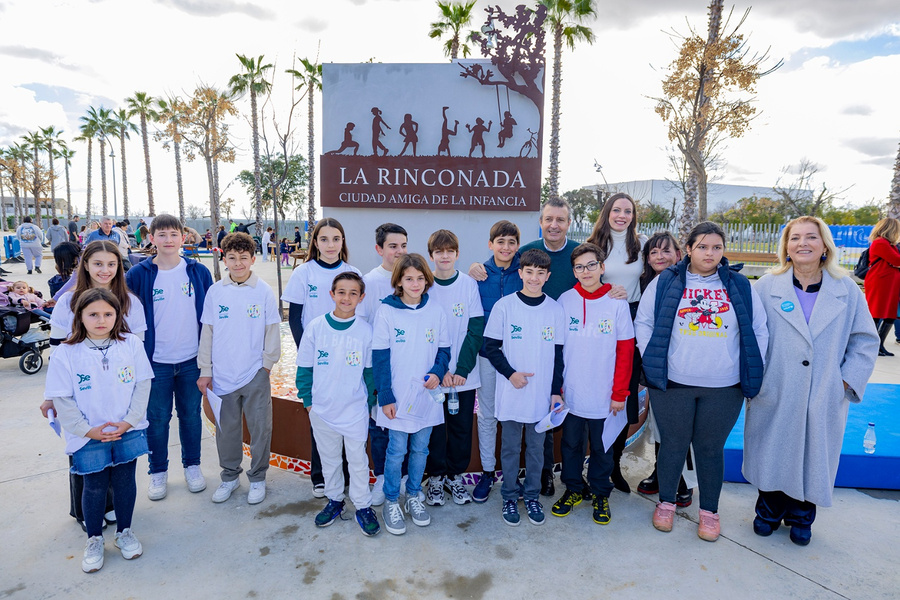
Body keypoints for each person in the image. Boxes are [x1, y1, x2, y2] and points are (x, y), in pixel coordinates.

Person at [743, 217, 879, 546]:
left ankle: (802, 516)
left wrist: (845, 383)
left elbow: (865, 340)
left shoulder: (846, 290)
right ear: (786, 247)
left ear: (824, 246)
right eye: (795, 238)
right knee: (772, 450)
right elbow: (748, 336)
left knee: (813, 453)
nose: (803, 243)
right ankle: (769, 510)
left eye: (811, 238)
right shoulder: (765, 286)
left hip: (824, 390)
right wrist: (754, 380)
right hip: (776, 388)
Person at [635, 221, 768, 542]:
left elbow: (759, 329)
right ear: (690, 249)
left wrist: (745, 368)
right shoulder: (666, 281)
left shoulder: (740, 284)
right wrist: (657, 359)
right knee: (673, 445)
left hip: (724, 388)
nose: (710, 253)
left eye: (717, 247)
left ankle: (709, 511)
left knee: (710, 449)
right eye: (703, 247)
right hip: (673, 384)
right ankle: (666, 502)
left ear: (723, 251)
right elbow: (645, 322)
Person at [44, 288, 153, 573]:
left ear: (117, 316)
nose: (101, 320)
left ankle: (125, 532)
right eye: (93, 314)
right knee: (93, 486)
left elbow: (143, 385)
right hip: (88, 435)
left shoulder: (130, 344)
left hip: (127, 428)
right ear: (80, 316)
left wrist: (129, 421)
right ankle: (94, 538)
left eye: (108, 314)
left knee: (125, 480)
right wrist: (87, 430)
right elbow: (62, 399)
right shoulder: (66, 353)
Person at [126, 214, 214, 502]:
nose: (168, 240)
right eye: (161, 234)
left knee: (190, 416)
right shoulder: (139, 275)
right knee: (158, 418)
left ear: (183, 237)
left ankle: (192, 466)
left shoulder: (198, 272)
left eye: (173, 234)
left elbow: (210, 318)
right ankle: (158, 472)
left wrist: (208, 361)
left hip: (191, 360)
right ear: (151, 238)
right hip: (156, 362)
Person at [198, 232, 281, 505]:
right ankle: (230, 477)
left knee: (260, 429)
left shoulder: (263, 291)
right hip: (223, 375)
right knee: (227, 430)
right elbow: (207, 333)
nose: (237, 263)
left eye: (243, 258)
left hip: (255, 373)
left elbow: (272, 332)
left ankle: (257, 478)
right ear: (224, 259)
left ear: (252, 259)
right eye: (231, 258)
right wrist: (205, 370)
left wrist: (266, 367)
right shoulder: (215, 291)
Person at [483, 248, 565, 526]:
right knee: (509, 448)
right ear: (520, 273)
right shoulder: (504, 306)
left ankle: (531, 495)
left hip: (541, 397)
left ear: (547, 276)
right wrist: (510, 374)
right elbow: (490, 348)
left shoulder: (555, 309)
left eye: (540, 273)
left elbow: (558, 356)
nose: (534, 277)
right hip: (511, 393)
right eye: (529, 272)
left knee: (535, 449)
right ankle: (508, 496)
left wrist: (555, 392)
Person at [553, 243, 634, 524]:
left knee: (602, 448)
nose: (585, 271)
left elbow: (625, 351)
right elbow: (558, 350)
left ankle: (601, 493)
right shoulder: (564, 301)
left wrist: (619, 393)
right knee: (571, 446)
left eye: (591, 265)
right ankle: (574, 489)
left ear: (602, 267)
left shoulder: (616, 302)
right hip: (572, 393)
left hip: (606, 395)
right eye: (579, 267)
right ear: (573, 272)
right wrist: (558, 389)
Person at [282, 218, 362, 498]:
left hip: (348, 358)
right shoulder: (304, 273)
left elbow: (359, 319)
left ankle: (347, 474)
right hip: (318, 359)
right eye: (324, 239)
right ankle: (321, 476)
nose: (331, 245)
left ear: (343, 242)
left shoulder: (352, 271)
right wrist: (310, 357)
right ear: (315, 242)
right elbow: (294, 319)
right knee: (320, 416)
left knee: (348, 414)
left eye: (336, 239)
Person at [297, 272, 380, 536]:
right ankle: (334, 499)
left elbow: (369, 373)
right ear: (332, 294)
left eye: (353, 293)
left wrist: (369, 404)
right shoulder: (316, 327)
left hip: (354, 410)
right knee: (330, 459)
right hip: (322, 410)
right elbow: (304, 368)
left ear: (361, 298)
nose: (346, 298)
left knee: (357, 460)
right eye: (341, 292)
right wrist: (308, 401)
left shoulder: (366, 331)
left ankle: (363, 505)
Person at [373, 253, 450, 535]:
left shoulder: (436, 311)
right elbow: (380, 358)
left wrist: (438, 373)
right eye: (409, 278)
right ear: (399, 281)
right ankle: (391, 500)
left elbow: (444, 351)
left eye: (420, 278)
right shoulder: (386, 311)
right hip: (398, 398)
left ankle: (413, 495)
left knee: (421, 449)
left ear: (427, 280)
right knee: (396, 451)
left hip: (426, 397)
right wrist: (386, 397)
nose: (415, 283)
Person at [586, 192, 648, 494]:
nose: (622, 215)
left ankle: (614, 464)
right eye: (617, 210)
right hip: (600, 321)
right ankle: (595, 459)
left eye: (628, 211)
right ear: (607, 212)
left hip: (632, 319)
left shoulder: (643, 244)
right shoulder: (595, 244)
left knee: (624, 393)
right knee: (599, 389)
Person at [423, 230, 484, 507]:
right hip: (435, 375)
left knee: (460, 428)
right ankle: (435, 478)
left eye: (450, 251)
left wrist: (462, 369)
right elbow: (423, 331)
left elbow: (475, 330)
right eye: (439, 251)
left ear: (457, 254)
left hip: (462, 377)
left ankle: (454, 477)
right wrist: (439, 370)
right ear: (431, 255)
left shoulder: (468, 285)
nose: (444, 256)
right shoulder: (424, 285)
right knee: (435, 428)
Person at [635, 232, 694, 507]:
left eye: (666, 251)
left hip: (683, 364)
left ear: (679, 254)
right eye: (653, 252)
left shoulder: (689, 281)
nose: (660, 257)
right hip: (656, 364)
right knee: (659, 423)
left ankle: (683, 482)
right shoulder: (644, 283)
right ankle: (661, 473)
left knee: (681, 426)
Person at [471, 220, 522, 503]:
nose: (506, 247)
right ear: (491, 244)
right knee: (488, 415)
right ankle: (488, 472)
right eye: (500, 242)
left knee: (515, 416)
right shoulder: (478, 275)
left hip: (517, 358)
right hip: (487, 356)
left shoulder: (524, 273)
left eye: (511, 242)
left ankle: (514, 475)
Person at [359, 223, 408, 506]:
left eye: (403, 245)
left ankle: (402, 479)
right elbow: (363, 327)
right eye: (393, 246)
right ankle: (381, 478)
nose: (399, 251)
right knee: (378, 426)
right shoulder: (370, 281)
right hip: (377, 367)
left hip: (407, 366)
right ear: (379, 249)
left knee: (405, 424)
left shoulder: (413, 278)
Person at [50, 241, 147, 347]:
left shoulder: (131, 302)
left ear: (118, 266)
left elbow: (138, 347)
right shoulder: (67, 301)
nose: (105, 270)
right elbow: (56, 347)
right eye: (98, 264)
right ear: (86, 265)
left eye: (111, 264)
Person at [863, 217, 900, 356]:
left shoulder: (890, 244)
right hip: (880, 282)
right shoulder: (880, 243)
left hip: (890, 283)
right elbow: (897, 260)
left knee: (890, 315)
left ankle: (880, 345)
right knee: (876, 313)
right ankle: (871, 346)